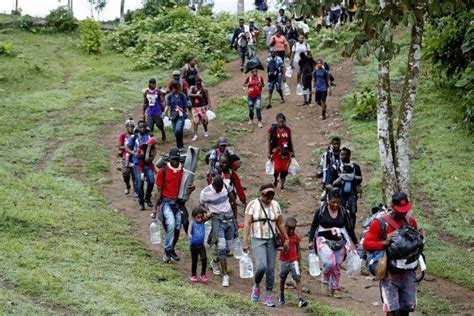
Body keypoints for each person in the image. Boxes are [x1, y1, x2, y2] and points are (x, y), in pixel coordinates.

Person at [363, 192, 419, 315]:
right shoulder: (380, 223)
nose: (403, 212)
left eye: (405, 210)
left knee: (406, 308)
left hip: (407, 272)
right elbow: (367, 244)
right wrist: (384, 242)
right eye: (400, 210)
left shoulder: (411, 222)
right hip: (389, 272)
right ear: (392, 206)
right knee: (392, 310)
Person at [243, 184, 289, 307]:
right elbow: (247, 223)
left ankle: (268, 295)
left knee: (270, 269)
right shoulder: (253, 205)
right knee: (262, 266)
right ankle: (256, 285)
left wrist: (286, 239)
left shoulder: (275, 205)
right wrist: (245, 241)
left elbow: (280, 223)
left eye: (271, 195)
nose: (269, 198)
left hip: (271, 240)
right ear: (261, 194)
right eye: (267, 195)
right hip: (257, 239)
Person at [308, 189, 358, 298]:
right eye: (333, 202)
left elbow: (349, 228)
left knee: (337, 265)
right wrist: (311, 240)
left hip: (339, 241)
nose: (335, 205)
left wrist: (355, 242)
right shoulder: (321, 211)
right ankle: (325, 281)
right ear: (328, 200)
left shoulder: (343, 212)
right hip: (323, 240)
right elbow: (313, 226)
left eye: (337, 202)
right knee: (329, 263)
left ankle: (335, 288)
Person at [155, 147, 195, 262]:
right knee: (171, 224)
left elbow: (187, 186)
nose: (175, 162)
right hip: (166, 202)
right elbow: (158, 191)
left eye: (177, 159)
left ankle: (171, 248)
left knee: (178, 226)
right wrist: (154, 208)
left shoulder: (183, 171)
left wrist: (192, 188)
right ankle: (167, 251)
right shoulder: (163, 171)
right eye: (173, 159)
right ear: (170, 159)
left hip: (178, 203)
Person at [200, 175, 238, 287]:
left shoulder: (226, 185)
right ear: (213, 185)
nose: (220, 190)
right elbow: (201, 205)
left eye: (222, 188)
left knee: (228, 249)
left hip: (230, 220)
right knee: (221, 247)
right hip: (218, 221)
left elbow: (233, 202)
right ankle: (225, 275)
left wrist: (235, 219)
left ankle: (215, 262)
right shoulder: (205, 192)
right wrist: (208, 213)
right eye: (218, 188)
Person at [278, 217, 308, 307]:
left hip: (294, 261)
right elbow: (277, 246)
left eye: (293, 229)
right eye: (289, 228)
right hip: (284, 261)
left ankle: (300, 299)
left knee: (297, 279)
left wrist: (299, 262)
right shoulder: (281, 236)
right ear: (285, 226)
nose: (291, 231)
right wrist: (282, 247)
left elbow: (298, 250)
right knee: (282, 279)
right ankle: (281, 295)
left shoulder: (296, 237)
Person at [126, 120, 156, 210]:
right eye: (140, 127)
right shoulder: (134, 137)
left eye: (143, 127)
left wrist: (152, 158)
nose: (142, 129)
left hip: (148, 163)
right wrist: (133, 153)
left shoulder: (149, 137)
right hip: (137, 163)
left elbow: (154, 149)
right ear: (138, 128)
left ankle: (147, 198)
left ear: (145, 127)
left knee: (151, 181)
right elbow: (127, 147)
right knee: (139, 184)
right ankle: (141, 202)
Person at [268, 113, 295, 190]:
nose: (281, 123)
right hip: (276, 152)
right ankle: (275, 179)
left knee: (284, 169)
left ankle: (282, 185)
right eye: (279, 122)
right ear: (276, 121)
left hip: (286, 152)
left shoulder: (287, 130)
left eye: (282, 122)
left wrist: (292, 152)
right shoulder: (272, 130)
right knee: (277, 168)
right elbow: (269, 141)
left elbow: (290, 141)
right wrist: (269, 152)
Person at [339, 147, 363, 226]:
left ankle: (351, 227)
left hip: (352, 192)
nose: (342, 157)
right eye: (341, 155)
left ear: (349, 155)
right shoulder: (337, 166)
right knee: (340, 209)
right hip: (340, 191)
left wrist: (351, 178)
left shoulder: (355, 167)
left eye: (344, 155)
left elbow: (360, 179)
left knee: (352, 211)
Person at [164, 80, 188, 151]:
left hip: (181, 115)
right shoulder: (170, 96)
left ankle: (179, 146)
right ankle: (180, 145)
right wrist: (164, 113)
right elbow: (167, 105)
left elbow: (185, 106)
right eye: (172, 88)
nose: (174, 90)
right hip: (173, 115)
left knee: (178, 130)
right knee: (176, 131)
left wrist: (187, 114)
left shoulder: (182, 95)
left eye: (175, 88)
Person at [188, 206, 210, 283]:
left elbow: (209, 215)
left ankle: (203, 274)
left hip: (201, 245)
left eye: (201, 217)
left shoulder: (202, 221)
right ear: (194, 217)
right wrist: (190, 235)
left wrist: (207, 212)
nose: (200, 219)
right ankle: (193, 275)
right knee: (194, 261)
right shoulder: (192, 223)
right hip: (193, 245)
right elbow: (189, 231)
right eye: (198, 217)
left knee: (204, 259)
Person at [117, 118, 136, 195]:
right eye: (128, 126)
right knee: (125, 173)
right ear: (126, 127)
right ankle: (127, 185)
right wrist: (126, 147)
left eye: (132, 126)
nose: (130, 128)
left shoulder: (136, 136)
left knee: (135, 174)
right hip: (126, 157)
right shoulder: (123, 136)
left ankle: (136, 190)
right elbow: (119, 146)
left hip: (134, 157)